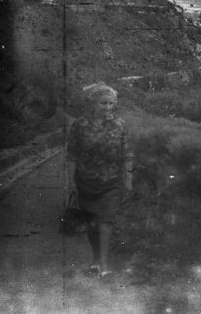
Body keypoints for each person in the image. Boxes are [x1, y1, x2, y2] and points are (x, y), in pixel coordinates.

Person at [67, 82, 133, 277]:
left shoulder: (120, 125)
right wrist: (71, 183)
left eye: (111, 103)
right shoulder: (80, 125)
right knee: (91, 224)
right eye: (103, 103)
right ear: (94, 103)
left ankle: (104, 264)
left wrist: (128, 181)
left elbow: (128, 154)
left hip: (111, 182)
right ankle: (95, 259)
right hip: (86, 181)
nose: (107, 107)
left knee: (105, 221)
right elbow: (72, 155)